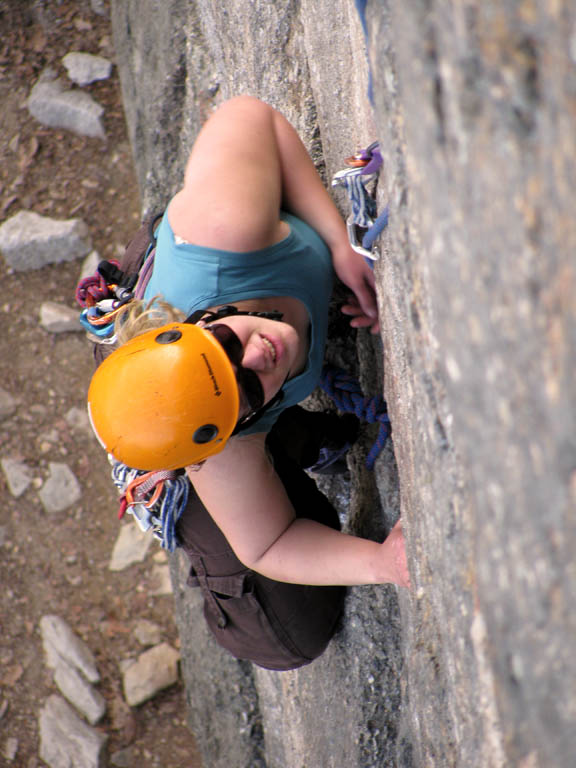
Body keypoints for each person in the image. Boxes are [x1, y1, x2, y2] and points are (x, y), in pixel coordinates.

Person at [87, 96, 409, 670]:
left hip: (155, 312)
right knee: (288, 635)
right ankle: (283, 441)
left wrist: (339, 245)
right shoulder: (216, 446)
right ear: (233, 429)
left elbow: (252, 118)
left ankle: (286, 434)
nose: (261, 351)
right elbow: (266, 545)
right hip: (171, 425)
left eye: (229, 344)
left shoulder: (224, 232)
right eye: (251, 392)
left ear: (198, 323)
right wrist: (384, 563)